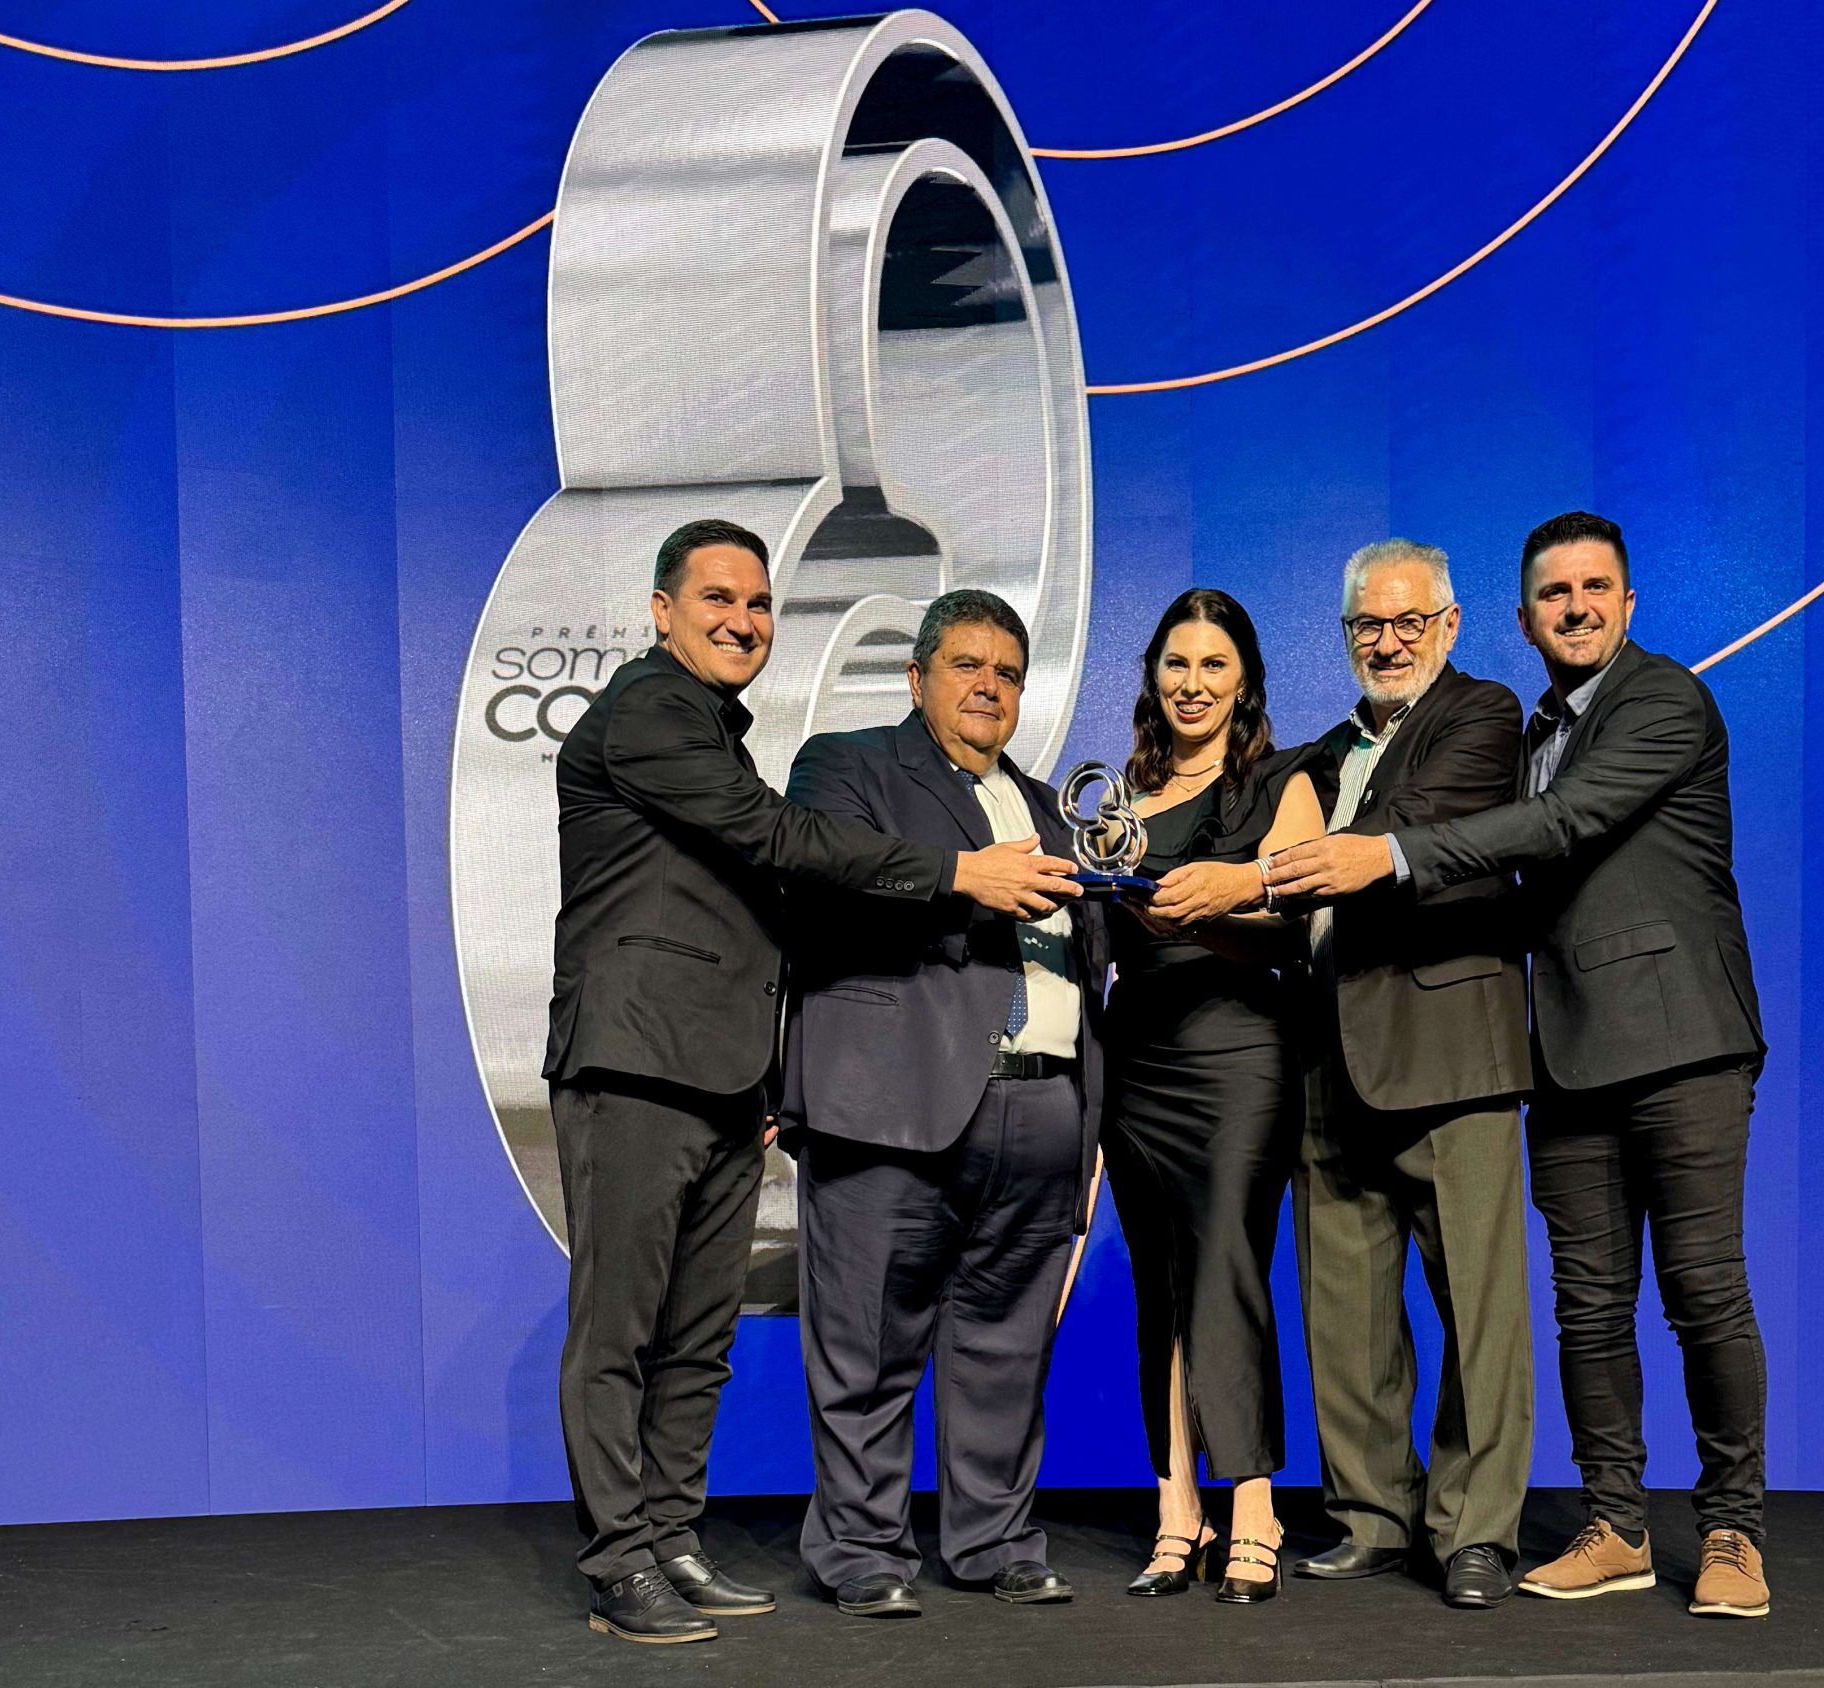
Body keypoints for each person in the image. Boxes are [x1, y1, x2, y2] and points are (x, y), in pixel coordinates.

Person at [546, 522, 1078, 1645]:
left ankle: (671, 1538)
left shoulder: (715, 731)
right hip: (635, 1058)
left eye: (758, 604)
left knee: (698, 1336)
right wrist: (956, 873)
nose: (742, 620)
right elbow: (776, 837)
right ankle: (619, 1561)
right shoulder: (648, 711)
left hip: (724, 1073)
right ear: (660, 609)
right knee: (620, 1332)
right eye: (717, 598)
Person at [1268, 511, 1772, 1619]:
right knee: (1587, 1306)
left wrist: (1381, 854)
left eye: (1593, 588)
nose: (1575, 607)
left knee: (1701, 1292)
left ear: (1627, 602)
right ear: (1524, 616)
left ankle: (1732, 1529)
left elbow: (1562, 824)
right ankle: (1616, 1525)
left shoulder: (1661, 699)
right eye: (1553, 593)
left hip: (1682, 1042)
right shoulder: (1535, 722)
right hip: (1569, 1053)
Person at [778, 590, 1105, 1618]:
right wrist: (966, 879)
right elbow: (821, 882)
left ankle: (994, 1538)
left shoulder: (1050, 807)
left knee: (1006, 1348)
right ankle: (862, 1549)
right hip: (892, 1101)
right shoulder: (848, 765)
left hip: (1042, 1105)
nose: (987, 686)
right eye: (967, 664)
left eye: (1007, 672)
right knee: (867, 1341)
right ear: (917, 677)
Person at [1258, 540, 1535, 1608]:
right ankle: (1371, 1515)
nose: (1386, 641)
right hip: (1328, 1054)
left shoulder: (1482, 715)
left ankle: (1475, 1529)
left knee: (1479, 1311)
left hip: (1448, 1051)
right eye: (1367, 625)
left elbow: (1400, 836)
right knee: (1344, 1309)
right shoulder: (1322, 751)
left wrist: (1263, 866)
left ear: (1449, 624)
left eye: (1407, 621)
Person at [1097, 589, 1325, 1605]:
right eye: (1176, 664)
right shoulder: (1114, 802)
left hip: (1239, 1053)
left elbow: (1301, 920)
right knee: (1161, 1286)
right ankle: (1176, 1508)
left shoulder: (1283, 780)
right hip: (1137, 1060)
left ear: (1245, 683)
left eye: (1214, 665)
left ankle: (1255, 1506)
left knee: (1227, 1265)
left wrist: (1209, 911)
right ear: (1152, 677)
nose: (1192, 684)